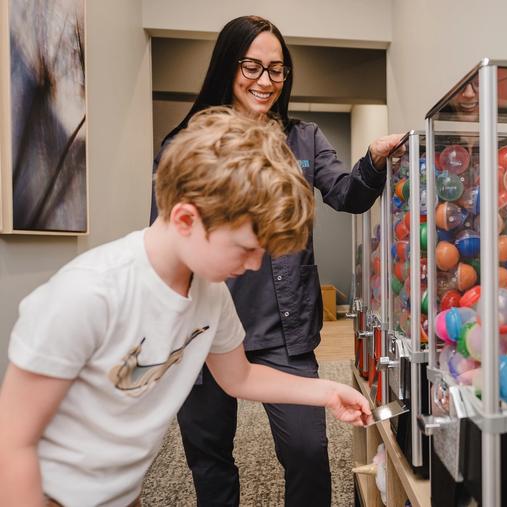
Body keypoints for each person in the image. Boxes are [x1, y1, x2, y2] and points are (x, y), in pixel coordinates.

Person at [0, 106, 373, 507]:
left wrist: (328, 391)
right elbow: (12, 444)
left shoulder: (210, 295)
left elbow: (239, 378)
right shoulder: (88, 293)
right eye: (246, 249)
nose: (252, 266)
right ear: (184, 219)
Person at [149, 15, 402, 507]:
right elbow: (167, 240)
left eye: (277, 70)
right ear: (228, 66)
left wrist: (372, 159)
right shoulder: (186, 143)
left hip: (282, 329)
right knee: (209, 457)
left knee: (308, 450)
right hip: (202, 329)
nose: (265, 82)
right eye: (252, 67)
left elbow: (347, 195)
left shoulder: (302, 139)